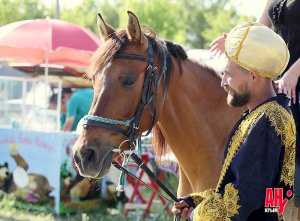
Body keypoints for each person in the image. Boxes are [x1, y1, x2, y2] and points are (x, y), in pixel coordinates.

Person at [172, 22, 296, 221]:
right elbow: (250, 191)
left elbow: (243, 199)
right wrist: (195, 201)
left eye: (228, 75)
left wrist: (197, 215)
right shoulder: (261, 115)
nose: (222, 83)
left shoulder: (269, 121)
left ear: (253, 76)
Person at [210, 0, 300, 205]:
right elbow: (258, 30)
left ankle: (281, 205)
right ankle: (269, 208)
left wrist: (295, 72)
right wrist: (236, 44)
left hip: (293, 78)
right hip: (270, 76)